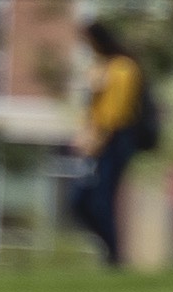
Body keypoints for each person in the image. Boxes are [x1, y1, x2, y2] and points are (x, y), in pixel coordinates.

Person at [68, 19, 158, 269]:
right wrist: (85, 135)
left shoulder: (124, 68)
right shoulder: (99, 68)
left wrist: (98, 139)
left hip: (117, 139)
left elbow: (117, 112)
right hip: (97, 140)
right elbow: (93, 109)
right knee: (80, 201)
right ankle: (110, 249)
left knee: (102, 198)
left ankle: (114, 257)